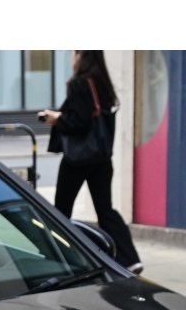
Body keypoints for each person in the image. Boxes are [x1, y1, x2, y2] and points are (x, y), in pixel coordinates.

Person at [40, 51, 141, 273]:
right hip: (101, 158)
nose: (70, 57)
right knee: (105, 210)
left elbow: (79, 122)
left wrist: (56, 118)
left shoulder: (79, 83)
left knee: (61, 211)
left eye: (73, 52)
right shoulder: (102, 82)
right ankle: (130, 258)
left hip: (78, 159)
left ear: (81, 56)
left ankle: (60, 259)